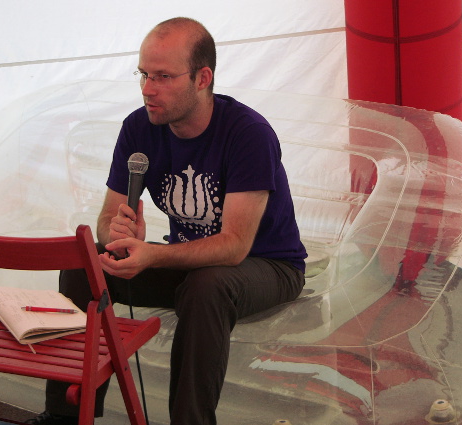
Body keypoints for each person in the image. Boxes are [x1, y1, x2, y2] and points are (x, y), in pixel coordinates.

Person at [25, 16, 307, 425]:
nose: (147, 89)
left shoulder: (248, 133)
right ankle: (64, 416)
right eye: (143, 74)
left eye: (163, 77)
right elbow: (107, 217)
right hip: (190, 265)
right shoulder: (139, 127)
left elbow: (234, 246)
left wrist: (154, 255)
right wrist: (117, 233)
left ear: (202, 78)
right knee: (86, 266)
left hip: (268, 265)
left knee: (207, 285)